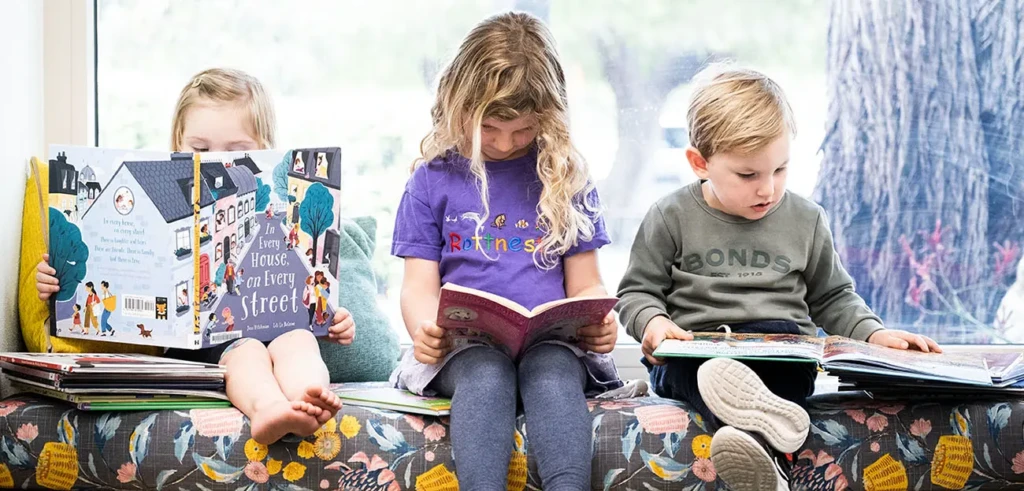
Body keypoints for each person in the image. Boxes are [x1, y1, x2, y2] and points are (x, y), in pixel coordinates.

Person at [615, 64, 942, 491]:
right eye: (748, 175)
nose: (767, 189)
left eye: (780, 170)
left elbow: (833, 297)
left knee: (787, 358)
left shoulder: (806, 219)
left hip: (778, 352)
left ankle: (755, 445)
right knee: (697, 370)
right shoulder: (670, 216)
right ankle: (771, 438)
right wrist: (654, 324)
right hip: (695, 349)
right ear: (700, 163)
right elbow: (636, 292)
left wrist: (873, 335)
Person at [35, 68, 354, 445]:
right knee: (247, 351)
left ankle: (307, 398)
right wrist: (55, 281)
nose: (216, 159)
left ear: (265, 148)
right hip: (206, 344)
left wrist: (333, 321)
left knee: (300, 340)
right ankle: (268, 408)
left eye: (235, 150)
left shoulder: (265, 200)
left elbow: (310, 292)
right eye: (200, 149)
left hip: (277, 324)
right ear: (178, 143)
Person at [389, 12, 621, 489]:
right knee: (487, 373)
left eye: (522, 130)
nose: (504, 143)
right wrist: (424, 330)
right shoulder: (432, 180)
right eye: (490, 128)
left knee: (552, 371)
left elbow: (586, 283)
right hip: (462, 349)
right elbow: (418, 287)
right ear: (457, 105)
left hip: (551, 344)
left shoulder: (566, 177)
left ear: (548, 117)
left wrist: (598, 321)